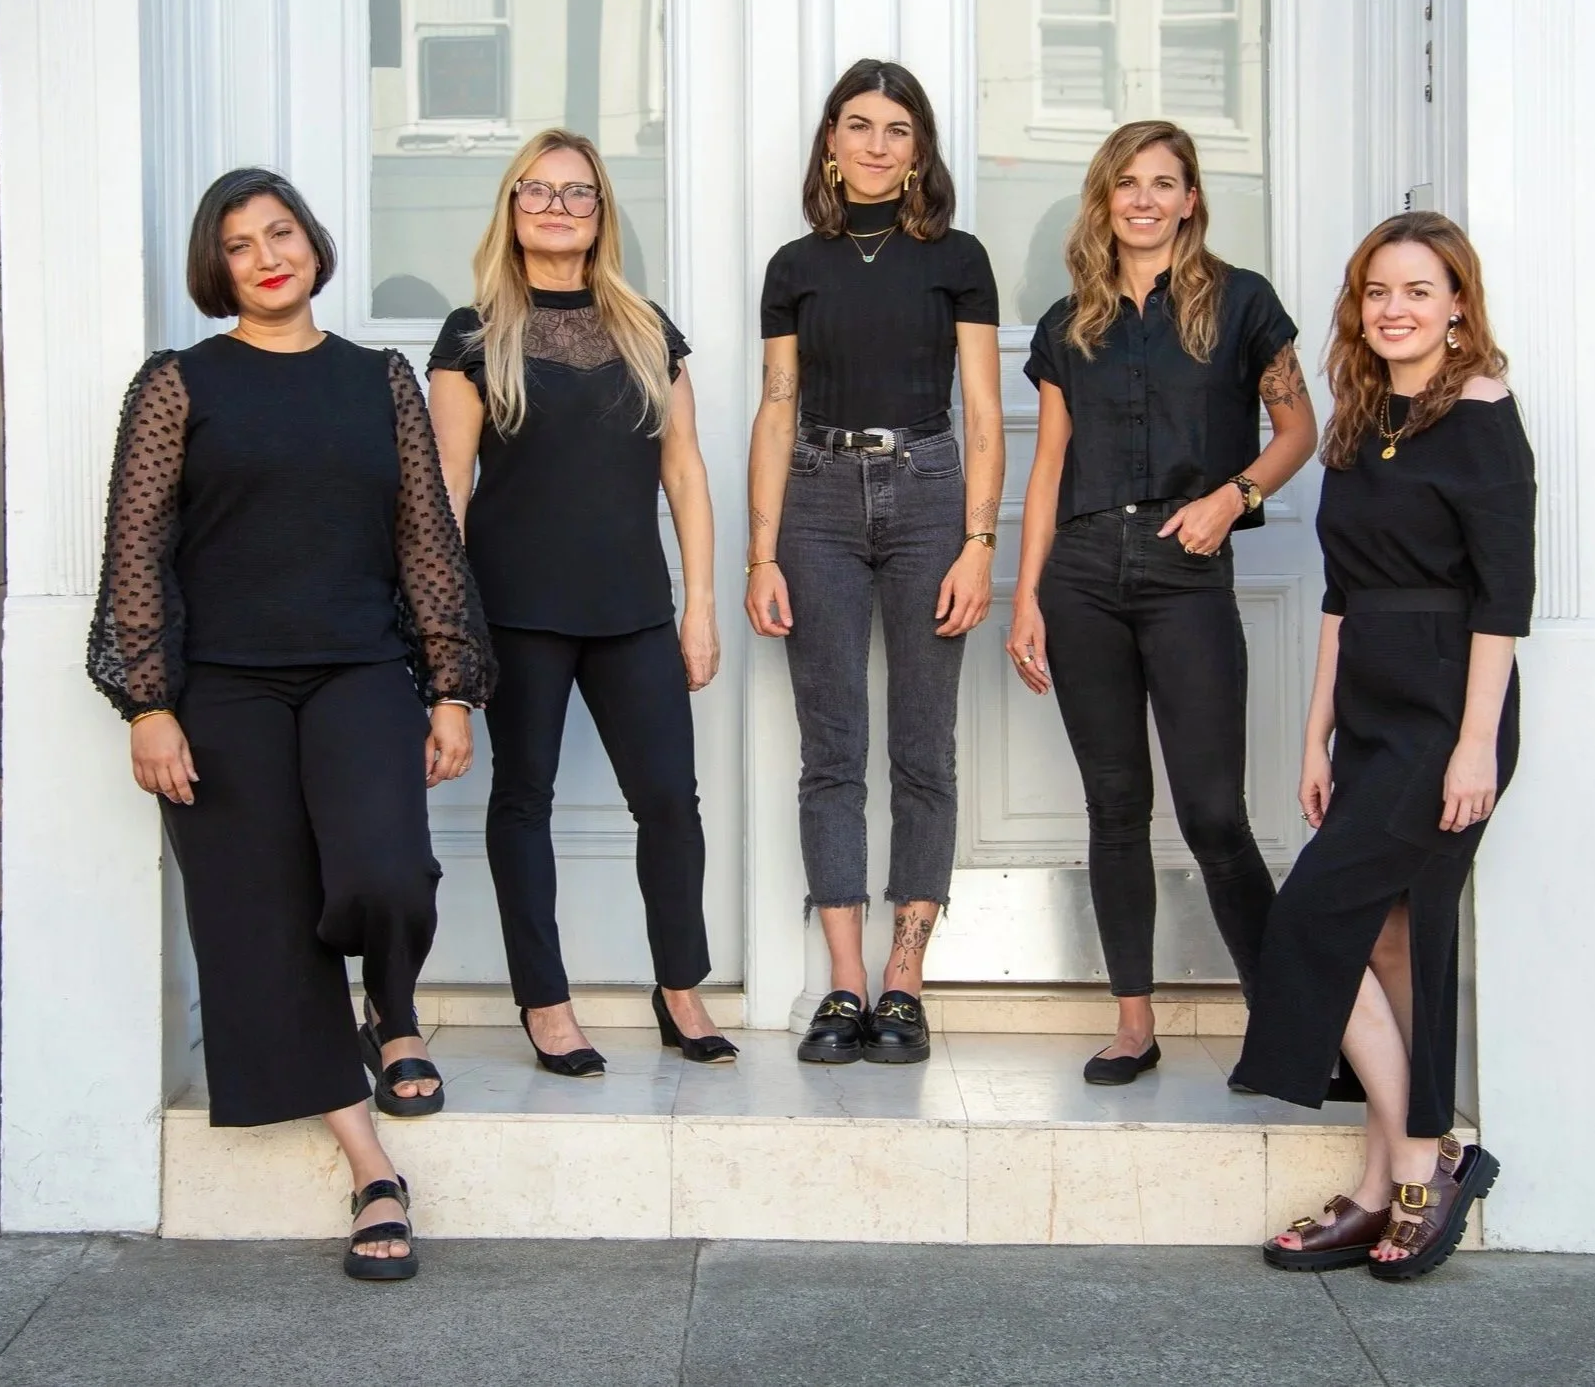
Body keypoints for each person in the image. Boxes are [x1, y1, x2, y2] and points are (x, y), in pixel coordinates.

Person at [89, 168, 492, 1281]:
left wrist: (450, 684)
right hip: (221, 689)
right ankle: (370, 1165)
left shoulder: (380, 381)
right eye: (238, 243)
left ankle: (394, 1006)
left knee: (387, 873)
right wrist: (149, 703)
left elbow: (425, 538)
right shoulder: (179, 384)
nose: (266, 254)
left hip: (360, 667)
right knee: (262, 919)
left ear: (312, 243)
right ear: (215, 269)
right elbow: (136, 554)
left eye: (281, 232)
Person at [1233, 212, 1530, 1280]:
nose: (1393, 308)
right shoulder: (1362, 419)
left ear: (1457, 306)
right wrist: (1316, 727)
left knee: (1309, 919)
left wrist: (1473, 745)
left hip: (1450, 702)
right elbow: (1342, 590)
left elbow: (1503, 598)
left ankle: (1419, 1158)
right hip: (1367, 704)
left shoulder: (1484, 416)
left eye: (1416, 289)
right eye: (1374, 291)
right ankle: (1380, 1181)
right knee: (1386, 939)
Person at [1007, 120, 1317, 1084]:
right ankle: (1133, 1023)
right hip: (1084, 572)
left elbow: (1298, 426)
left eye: (1163, 183)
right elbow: (1049, 465)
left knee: (1214, 813)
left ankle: (1287, 1026)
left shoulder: (1242, 304)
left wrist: (1232, 497)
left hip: (1186, 571)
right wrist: (1025, 599)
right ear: (1105, 201)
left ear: (1190, 198)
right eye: (1125, 184)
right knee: (1113, 805)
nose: (1143, 199)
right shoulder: (1070, 325)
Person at [429, 129, 735, 1074]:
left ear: (602, 213)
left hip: (634, 608)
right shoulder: (472, 337)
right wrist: (450, 636)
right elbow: (444, 496)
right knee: (523, 802)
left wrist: (699, 605)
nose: (557, 206)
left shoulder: (649, 329)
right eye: (539, 190)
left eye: (578, 193)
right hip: (514, 612)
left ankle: (679, 985)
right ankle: (546, 1001)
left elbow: (683, 473)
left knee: (670, 804)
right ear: (511, 208)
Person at [747, 59, 1004, 1065]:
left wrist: (981, 544)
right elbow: (774, 406)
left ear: (917, 150)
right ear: (829, 142)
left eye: (896, 129)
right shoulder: (793, 265)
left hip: (930, 491)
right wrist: (760, 551)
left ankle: (905, 977)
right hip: (814, 495)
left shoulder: (957, 258)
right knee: (829, 746)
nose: (875, 144)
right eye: (857, 125)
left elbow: (983, 412)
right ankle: (842, 982)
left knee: (921, 745)